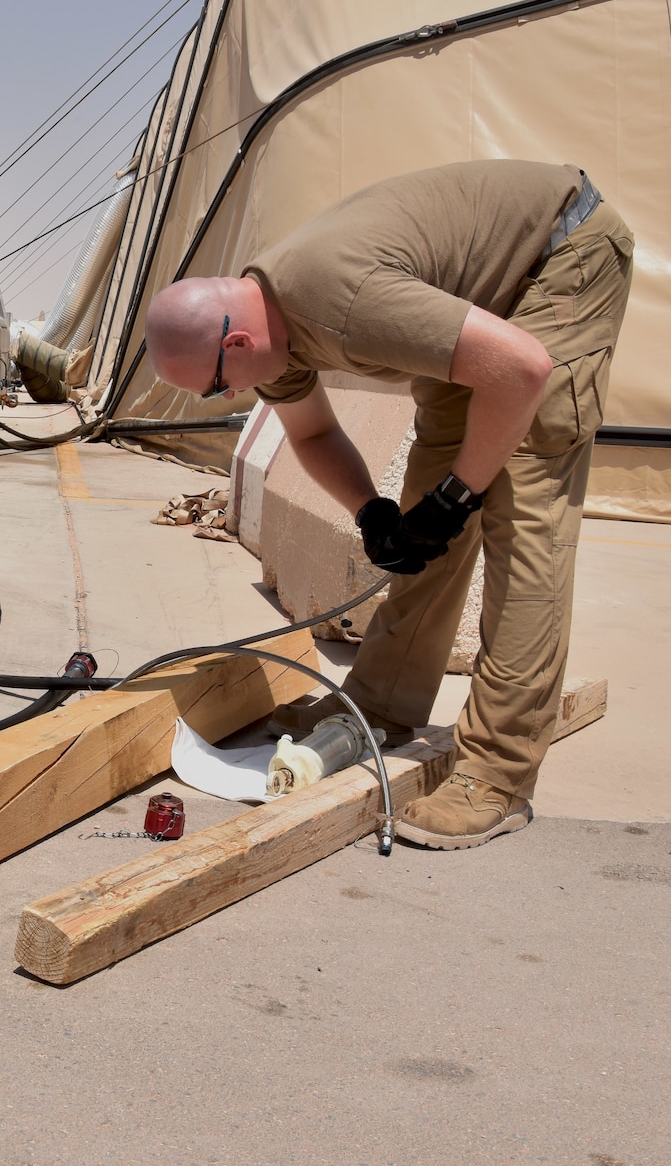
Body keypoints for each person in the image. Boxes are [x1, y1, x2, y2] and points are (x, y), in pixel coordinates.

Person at [144, 160, 634, 849]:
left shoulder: (336, 301)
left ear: (236, 342)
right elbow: (312, 431)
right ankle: (380, 706)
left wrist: (462, 494)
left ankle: (498, 775)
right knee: (427, 505)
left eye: (216, 385)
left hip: (560, 258)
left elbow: (522, 369)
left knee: (521, 502)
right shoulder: (267, 333)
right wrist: (374, 512)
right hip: (488, 305)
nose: (225, 400)